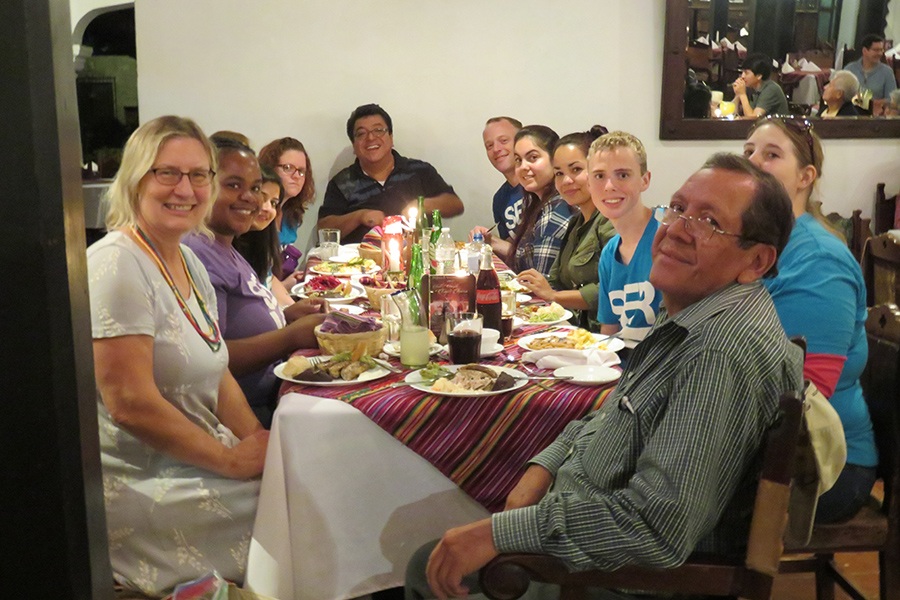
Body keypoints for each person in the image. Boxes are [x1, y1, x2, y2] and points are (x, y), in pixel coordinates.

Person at [406, 153, 803, 600]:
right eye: (676, 208)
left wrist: (502, 534)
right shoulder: (694, 311)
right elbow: (617, 411)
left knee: (430, 564)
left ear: (756, 262)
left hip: (612, 582)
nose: (674, 227)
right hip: (582, 524)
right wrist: (547, 463)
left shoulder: (719, 351)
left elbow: (656, 527)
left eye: (708, 221)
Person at [88, 116, 266, 597]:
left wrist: (256, 439)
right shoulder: (117, 263)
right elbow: (129, 403)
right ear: (135, 179)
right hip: (143, 480)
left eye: (198, 174)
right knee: (299, 507)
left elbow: (218, 366)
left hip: (201, 455)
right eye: (166, 173)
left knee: (300, 479)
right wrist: (233, 462)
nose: (184, 189)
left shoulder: (186, 257)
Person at [743, 115, 877, 523]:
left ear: (805, 176)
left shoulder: (818, 260)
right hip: (768, 442)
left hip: (822, 464)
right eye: (747, 151)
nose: (752, 161)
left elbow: (803, 396)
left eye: (770, 154)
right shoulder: (760, 243)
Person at [185, 138, 325, 429]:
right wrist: (290, 337)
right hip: (243, 415)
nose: (251, 198)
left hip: (274, 392)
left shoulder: (226, 247)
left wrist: (287, 316)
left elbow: (241, 319)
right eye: (233, 185)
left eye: (255, 188)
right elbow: (212, 360)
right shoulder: (198, 254)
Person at [318, 103, 464, 243]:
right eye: (361, 133)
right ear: (354, 146)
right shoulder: (342, 182)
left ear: (391, 137)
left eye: (378, 130)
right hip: (361, 264)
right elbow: (324, 230)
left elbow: (455, 205)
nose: (370, 138)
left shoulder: (419, 170)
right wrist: (360, 216)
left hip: (417, 260)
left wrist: (422, 205)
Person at [517, 127, 615, 330]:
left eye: (576, 170)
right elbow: (554, 280)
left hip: (603, 337)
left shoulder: (611, 221)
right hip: (573, 329)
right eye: (559, 173)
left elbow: (612, 289)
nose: (566, 181)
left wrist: (553, 296)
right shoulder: (576, 223)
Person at [588, 131, 661, 343]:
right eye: (599, 176)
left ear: (644, 180)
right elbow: (609, 331)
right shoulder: (610, 253)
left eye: (622, 175)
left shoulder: (667, 238)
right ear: (589, 184)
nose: (609, 186)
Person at [471, 125, 571, 276]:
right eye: (518, 160)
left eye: (533, 158)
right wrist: (492, 242)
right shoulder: (534, 203)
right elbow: (526, 257)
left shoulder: (555, 210)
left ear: (554, 159)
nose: (524, 167)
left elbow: (542, 282)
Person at [233, 166, 295, 307]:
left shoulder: (261, 240)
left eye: (273, 203)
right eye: (262, 197)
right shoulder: (226, 248)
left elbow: (269, 280)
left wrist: (293, 310)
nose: (268, 208)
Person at [258, 136, 317, 247]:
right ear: (270, 168)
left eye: (301, 171)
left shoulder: (291, 213)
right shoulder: (260, 212)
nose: (296, 176)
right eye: (288, 168)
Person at [483, 116, 525, 240]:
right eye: (489, 146)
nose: (496, 149)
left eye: (504, 140)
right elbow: (511, 248)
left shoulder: (540, 186)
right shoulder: (500, 199)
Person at [732, 52, 790, 118]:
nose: (742, 76)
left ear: (759, 76)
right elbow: (732, 114)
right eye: (742, 72)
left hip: (774, 127)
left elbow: (752, 119)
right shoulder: (750, 87)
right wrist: (738, 94)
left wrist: (742, 94)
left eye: (746, 73)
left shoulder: (771, 89)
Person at [844, 34, 897, 101]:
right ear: (864, 51)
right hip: (851, 109)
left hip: (875, 110)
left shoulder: (887, 72)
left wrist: (876, 103)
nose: (880, 53)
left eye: (881, 50)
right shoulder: (850, 69)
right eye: (876, 50)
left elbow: (892, 98)